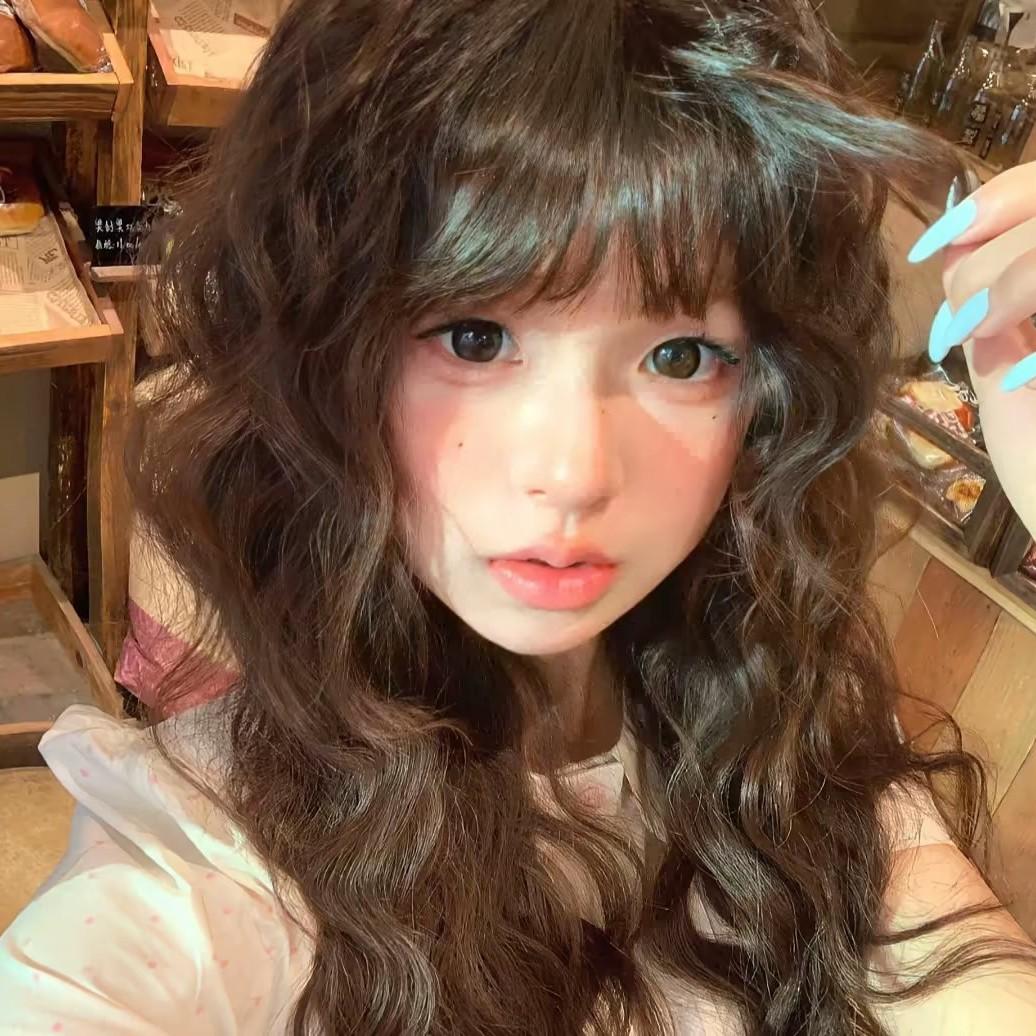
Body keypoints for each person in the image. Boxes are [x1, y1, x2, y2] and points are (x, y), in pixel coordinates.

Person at [2, 1, 1036, 1032]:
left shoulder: (770, 709)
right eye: (474, 337)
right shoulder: (200, 871)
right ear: (324, 357)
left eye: (679, 356)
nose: (573, 473)